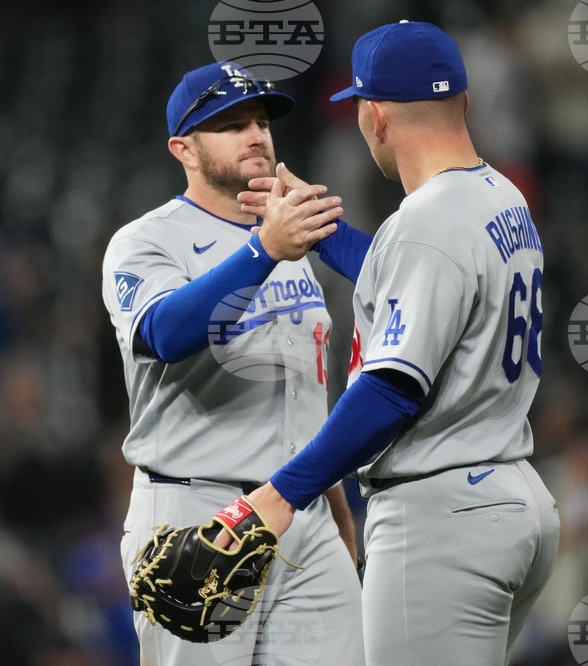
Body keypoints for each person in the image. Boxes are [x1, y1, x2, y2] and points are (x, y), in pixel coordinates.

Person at [217, 22, 561, 665]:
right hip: (514, 498)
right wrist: (321, 229)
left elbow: (391, 390)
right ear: (464, 101)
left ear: (375, 116)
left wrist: (278, 494)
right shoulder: (500, 195)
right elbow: (425, 276)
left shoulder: (426, 223)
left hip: (442, 516)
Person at [101, 61, 366, 665]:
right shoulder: (147, 240)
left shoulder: (289, 241)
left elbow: (304, 391)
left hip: (302, 514)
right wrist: (264, 249)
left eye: (261, 122)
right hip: (197, 515)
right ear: (184, 149)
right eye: (230, 124)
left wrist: (333, 502)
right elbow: (165, 333)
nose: (255, 135)